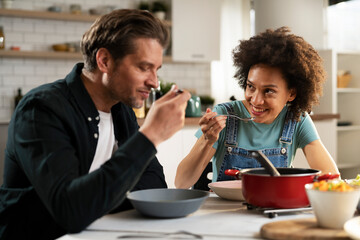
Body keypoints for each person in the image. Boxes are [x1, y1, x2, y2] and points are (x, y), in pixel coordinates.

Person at [0, 9, 190, 239]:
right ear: (105, 61)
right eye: (143, 67)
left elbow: (154, 188)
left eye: (156, 70)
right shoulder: (41, 110)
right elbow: (70, 211)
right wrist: (149, 137)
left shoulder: (122, 111)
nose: (154, 82)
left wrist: (98, 198)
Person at [175, 27, 339, 189]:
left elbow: (331, 180)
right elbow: (181, 183)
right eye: (250, 86)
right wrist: (207, 140)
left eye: (268, 91)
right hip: (225, 211)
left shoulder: (296, 119)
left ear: (291, 93)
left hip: (274, 208)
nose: (256, 100)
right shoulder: (224, 115)